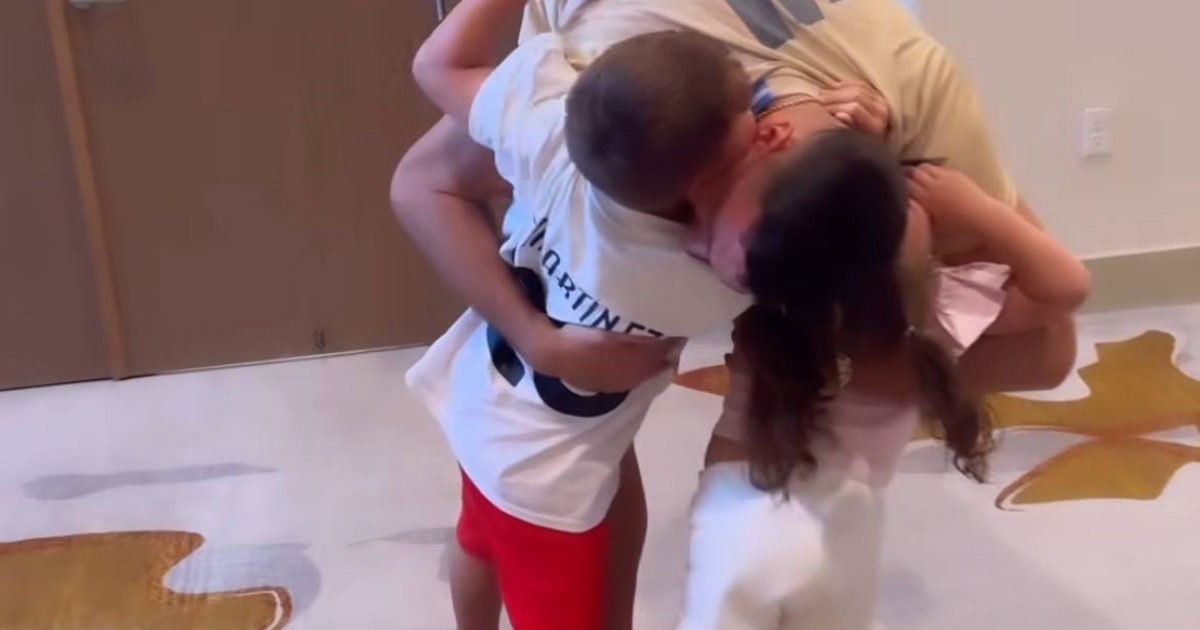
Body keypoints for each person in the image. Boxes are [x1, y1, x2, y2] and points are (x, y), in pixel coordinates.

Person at [405, 2, 758, 628]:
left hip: (483, 410)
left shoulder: (552, 142)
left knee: (477, 544)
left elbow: (438, 64)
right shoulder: (696, 276)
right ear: (704, 185)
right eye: (754, 113)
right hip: (550, 486)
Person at [680, 129, 1090, 629]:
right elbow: (1067, 286)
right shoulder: (935, 309)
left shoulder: (769, 285)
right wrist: (978, 208)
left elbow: (695, 238)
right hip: (838, 524)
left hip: (731, 512)